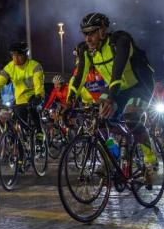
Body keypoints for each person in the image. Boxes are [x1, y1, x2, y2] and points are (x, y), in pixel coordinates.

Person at [67, 12, 157, 185]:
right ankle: (113, 155)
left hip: (139, 85)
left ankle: (149, 156)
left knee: (131, 117)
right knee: (99, 120)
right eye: (85, 34)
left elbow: (118, 71)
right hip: (117, 88)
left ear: (102, 30)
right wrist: (69, 101)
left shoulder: (120, 41)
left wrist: (110, 98)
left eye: (91, 33)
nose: (87, 39)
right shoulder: (86, 50)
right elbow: (79, 78)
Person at [0, 41, 45, 137]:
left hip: (34, 96)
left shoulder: (35, 66)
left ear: (26, 54)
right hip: (20, 100)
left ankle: (39, 133)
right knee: (18, 123)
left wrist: (39, 95)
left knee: (33, 109)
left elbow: (39, 84)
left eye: (19, 55)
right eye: (13, 55)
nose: (16, 59)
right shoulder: (9, 67)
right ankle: (22, 141)